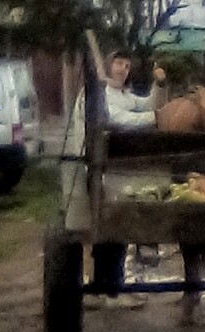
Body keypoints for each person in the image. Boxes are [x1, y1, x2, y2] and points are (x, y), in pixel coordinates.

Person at [60, 50, 167, 307]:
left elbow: (146, 105)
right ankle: (110, 291)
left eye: (127, 65)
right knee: (112, 226)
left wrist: (159, 85)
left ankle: (104, 288)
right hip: (88, 168)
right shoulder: (95, 95)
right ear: (108, 66)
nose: (123, 69)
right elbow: (117, 119)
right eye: (119, 63)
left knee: (114, 228)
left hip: (108, 170)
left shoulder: (120, 94)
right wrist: (156, 118)